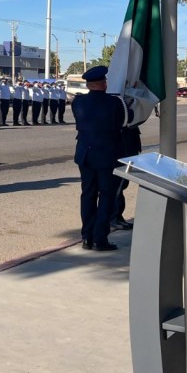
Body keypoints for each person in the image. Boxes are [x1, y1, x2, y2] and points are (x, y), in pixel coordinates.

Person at [72, 66, 127, 252]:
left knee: (87, 195)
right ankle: (100, 238)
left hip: (85, 155)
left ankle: (86, 237)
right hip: (107, 154)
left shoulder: (78, 102)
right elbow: (121, 123)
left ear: (88, 85)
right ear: (104, 84)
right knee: (106, 196)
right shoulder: (114, 103)